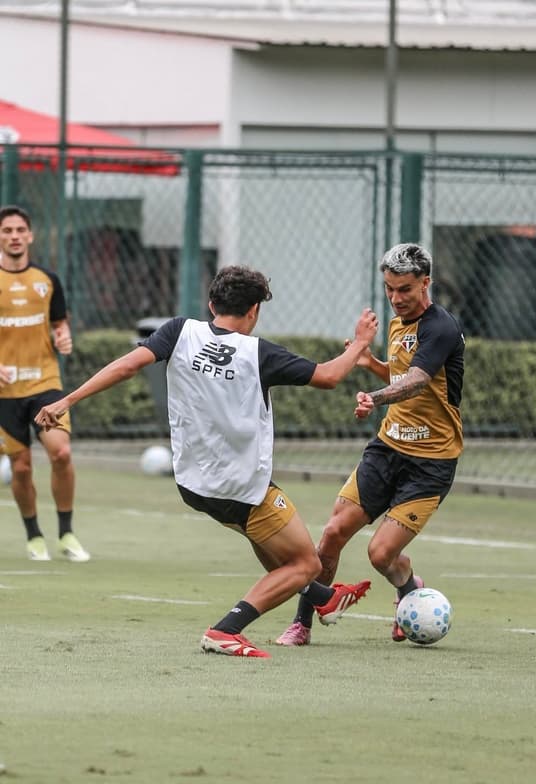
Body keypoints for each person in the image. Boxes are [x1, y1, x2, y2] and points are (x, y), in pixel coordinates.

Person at [35, 265, 378, 658]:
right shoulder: (258, 353)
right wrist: (359, 344)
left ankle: (323, 599)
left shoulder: (179, 331)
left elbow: (127, 366)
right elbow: (329, 376)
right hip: (242, 487)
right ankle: (226, 629)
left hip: (193, 484)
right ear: (254, 311)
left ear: (212, 304)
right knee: (304, 563)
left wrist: (66, 400)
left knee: (267, 538)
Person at [276, 242, 464, 646]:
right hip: (387, 449)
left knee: (381, 555)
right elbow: (399, 373)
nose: (396, 299)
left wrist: (374, 398)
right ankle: (303, 623)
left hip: (430, 464)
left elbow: (416, 381)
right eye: (389, 289)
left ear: (426, 283)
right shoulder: (397, 324)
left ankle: (408, 586)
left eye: (405, 290)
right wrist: (372, 366)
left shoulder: (441, 328)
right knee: (332, 533)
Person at [0, 204, 90, 562]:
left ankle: (66, 532)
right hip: (5, 393)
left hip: (45, 384)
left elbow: (59, 324)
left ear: (30, 235)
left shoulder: (48, 279)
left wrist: (63, 337)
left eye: (20, 230)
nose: (14, 236)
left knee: (62, 453)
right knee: (21, 466)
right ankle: (34, 535)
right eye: (7, 231)